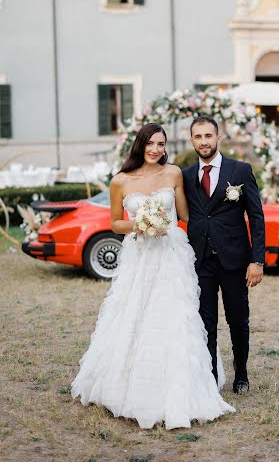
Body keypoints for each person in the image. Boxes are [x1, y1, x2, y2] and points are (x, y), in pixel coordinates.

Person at [71, 123, 235, 430]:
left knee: (175, 316)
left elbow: (186, 215)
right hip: (140, 255)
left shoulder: (173, 174)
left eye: (161, 144)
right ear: (140, 144)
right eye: (151, 143)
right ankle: (125, 386)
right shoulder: (120, 181)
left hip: (171, 254)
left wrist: (223, 213)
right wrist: (140, 224)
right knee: (133, 314)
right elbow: (115, 224)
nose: (156, 149)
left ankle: (181, 386)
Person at [182, 117, 265, 394]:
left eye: (208, 136)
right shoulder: (185, 176)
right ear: (191, 140)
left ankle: (241, 374)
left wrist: (257, 260)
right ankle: (212, 376)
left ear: (218, 138)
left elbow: (256, 216)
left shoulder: (239, 170)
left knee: (238, 320)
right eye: (197, 137)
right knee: (206, 322)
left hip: (234, 260)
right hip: (201, 259)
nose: (203, 141)